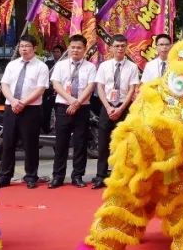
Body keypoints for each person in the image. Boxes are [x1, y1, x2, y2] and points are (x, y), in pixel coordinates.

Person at [0, 35, 51, 189]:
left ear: (34, 48)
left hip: (31, 109)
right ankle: (4, 176)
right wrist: (13, 101)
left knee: (30, 144)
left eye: (27, 46)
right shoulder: (12, 65)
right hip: (11, 107)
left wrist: (23, 102)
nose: (24, 49)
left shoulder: (41, 66)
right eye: (21, 46)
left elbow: (40, 89)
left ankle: (31, 176)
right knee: (8, 143)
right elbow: (4, 85)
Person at [49, 34, 97, 188]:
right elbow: (56, 84)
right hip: (63, 106)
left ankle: (77, 175)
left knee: (80, 142)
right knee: (61, 142)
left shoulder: (90, 67)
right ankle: (58, 176)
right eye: (73, 47)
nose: (75, 50)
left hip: (82, 107)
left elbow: (90, 86)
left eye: (79, 48)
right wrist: (70, 100)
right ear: (69, 48)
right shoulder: (61, 65)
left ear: (84, 50)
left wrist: (77, 103)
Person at [93, 35, 141, 188]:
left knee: (124, 144)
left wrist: (121, 108)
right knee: (103, 143)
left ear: (126, 47)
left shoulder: (132, 67)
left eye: (122, 46)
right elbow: (99, 87)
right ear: (111, 48)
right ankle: (100, 176)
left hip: (124, 107)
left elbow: (132, 89)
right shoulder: (104, 66)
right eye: (117, 46)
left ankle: (122, 176)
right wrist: (108, 107)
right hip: (106, 106)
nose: (120, 49)